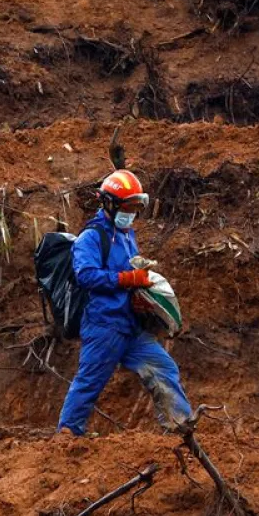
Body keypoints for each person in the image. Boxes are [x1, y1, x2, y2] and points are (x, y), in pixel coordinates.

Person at [57, 168, 192, 436]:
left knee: (163, 367)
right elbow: (86, 275)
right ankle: (67, 437)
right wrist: (128, 280)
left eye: (135, 207)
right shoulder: (91, 237)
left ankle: (180, 429)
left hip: (130, 325)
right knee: (89, 382)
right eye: (127, 206)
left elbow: (129, 272)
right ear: (109, 203)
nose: (131, 213)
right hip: (105, 325)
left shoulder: (127, 234)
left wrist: (139, 294)